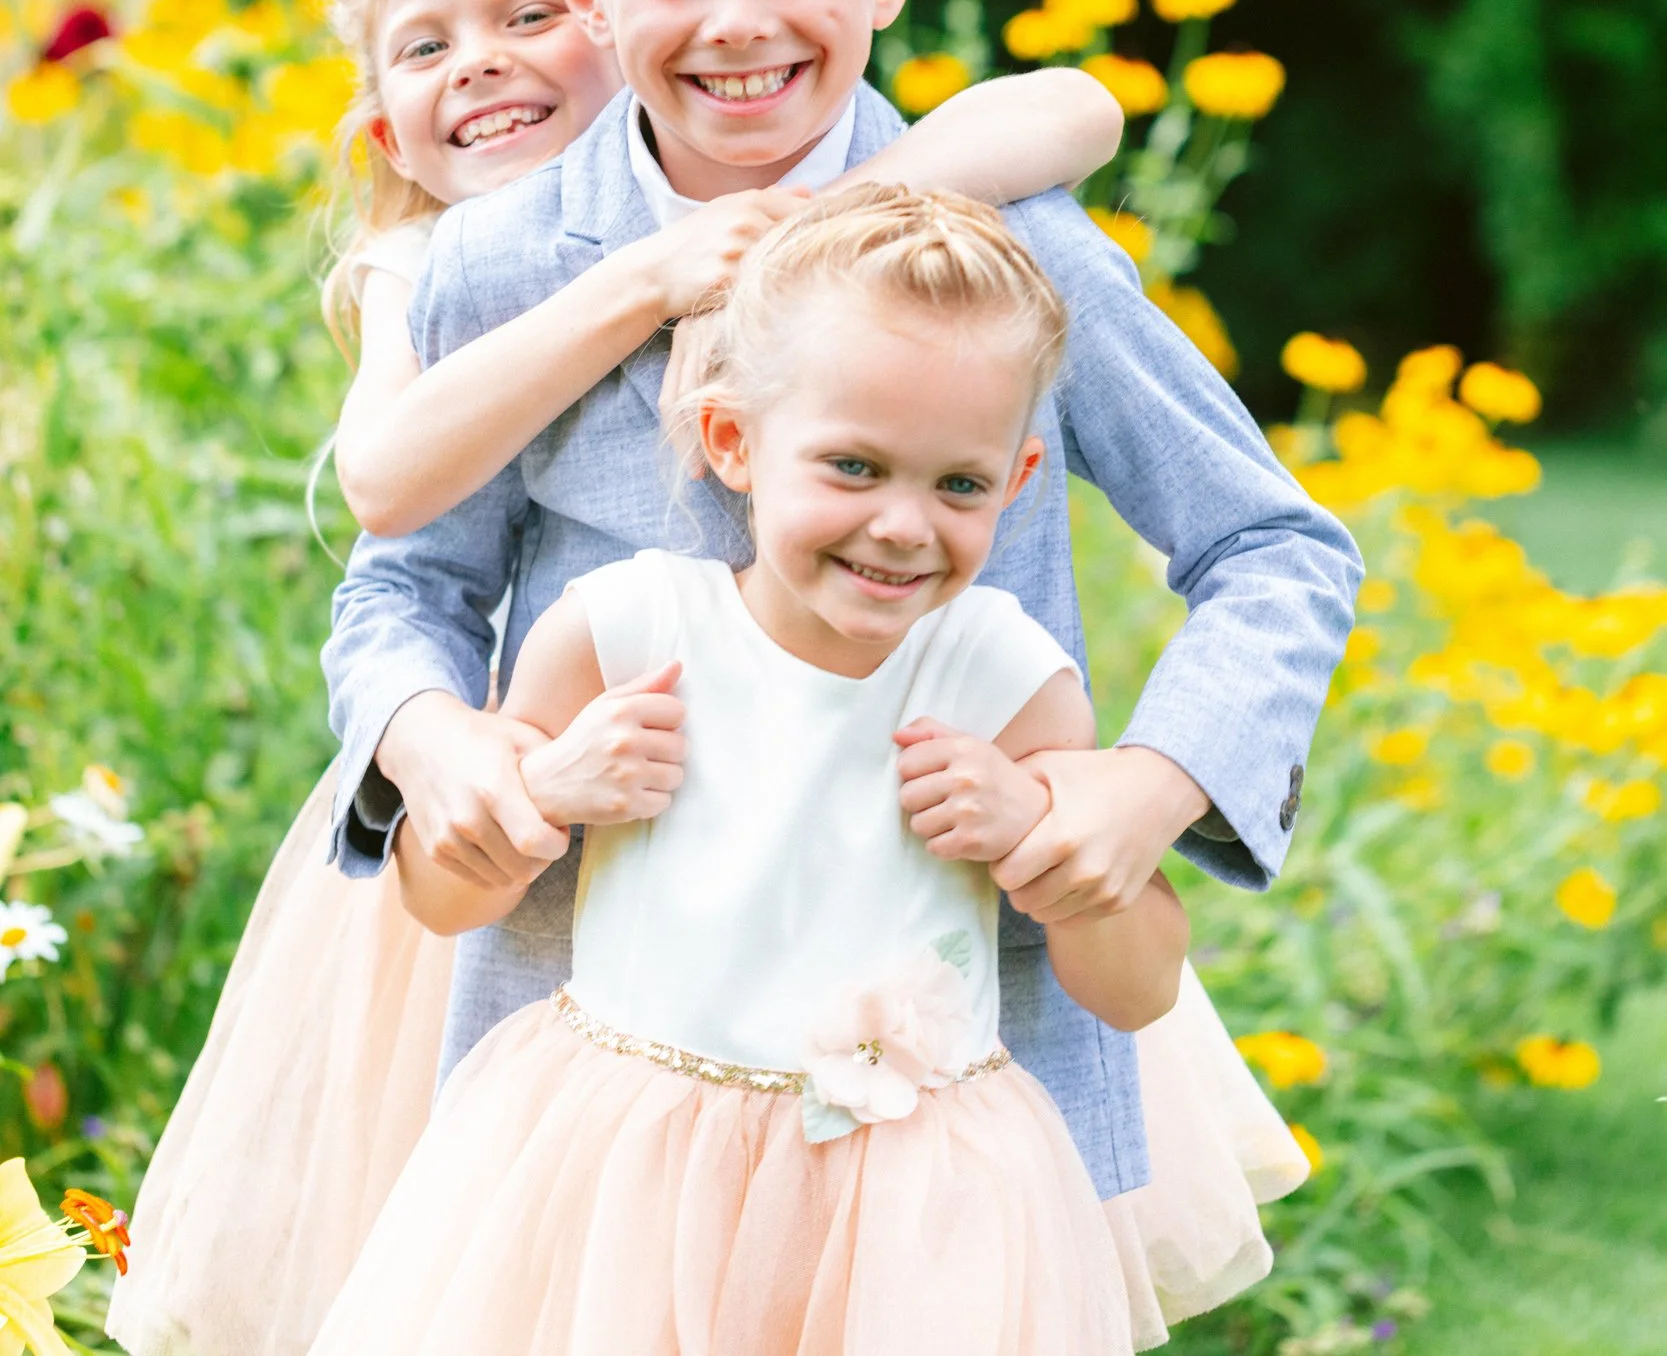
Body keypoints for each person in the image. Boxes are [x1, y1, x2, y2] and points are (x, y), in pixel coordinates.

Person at [324, 0, 1361, 1234]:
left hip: (943, 1062)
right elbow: (404, 588)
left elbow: (1274, 547)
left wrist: (1145, 787)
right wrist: (435, 743)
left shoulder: (1012, 260)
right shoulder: (507, 268)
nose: (737, 21)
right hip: (598, 1046)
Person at [107, 0, 1130, 1356]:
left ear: (597, 5)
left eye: (523, 15)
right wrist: (644, 283)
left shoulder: (839, 228)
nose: (484, 67)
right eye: (427, 46)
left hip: (864, 856)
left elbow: (1079, 107)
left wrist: (826, 209)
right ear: (380, 117)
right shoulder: (445, 265)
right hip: (541, 817)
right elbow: (391, 513)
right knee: (521, 1256)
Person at [310, 188, 1302, 1356]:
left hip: (909, 1211)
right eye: (852, 466)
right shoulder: (620, 634)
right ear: (734, 441)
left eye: (958, 485)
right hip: (628, 1171)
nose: (899, 525)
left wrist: (1033, 827)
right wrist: (548, 789)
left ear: (1019, 476)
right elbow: (444, 894)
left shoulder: (1005, 681)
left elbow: (1134, 988)